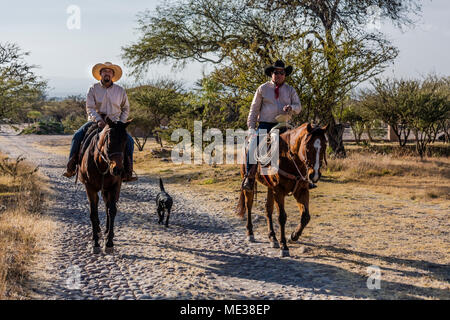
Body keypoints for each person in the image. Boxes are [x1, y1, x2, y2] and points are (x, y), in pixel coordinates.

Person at [63, 62, 137, 182]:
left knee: (129, 141)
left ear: (112, 75)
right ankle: (71, 166)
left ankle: (128, 171)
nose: (107, 73)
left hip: (115, 123)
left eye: (110, 71)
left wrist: (121, 124)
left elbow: (126, 108)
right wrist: (98, 120)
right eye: (104, 71)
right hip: (96, 121)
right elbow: (90, 108)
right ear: (100, 74)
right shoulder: (93, 89)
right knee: (77, 136)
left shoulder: (120, 90)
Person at [242, 60, 302, 191]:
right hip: (265, 125)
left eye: (281, 72)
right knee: (253, 146)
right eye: (276, 72)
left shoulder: (290, 90)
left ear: (285, 75)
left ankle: (304, 178)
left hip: (284, 125)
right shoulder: (262, 89)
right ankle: (249, 177)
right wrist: (251, 128)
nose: (279, 75)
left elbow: (298, 108)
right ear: (271, 74)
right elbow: (254, 109)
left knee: (301, 146)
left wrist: (292, 107)